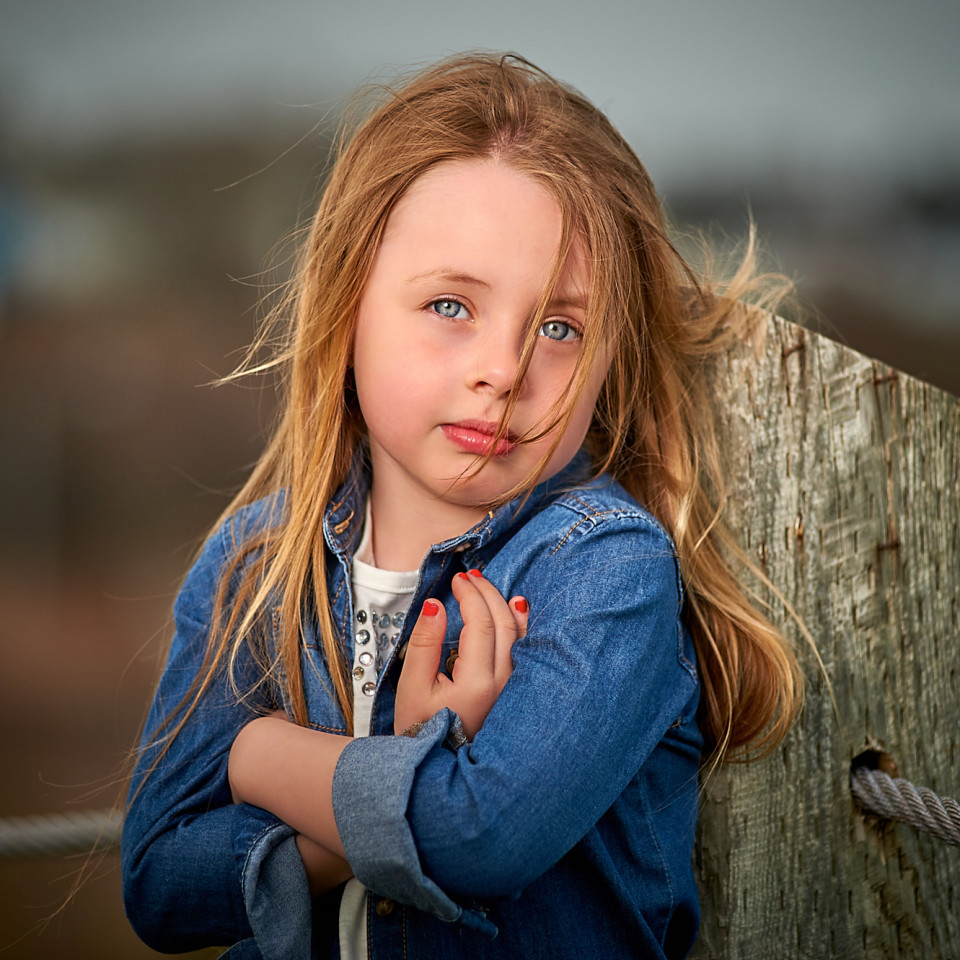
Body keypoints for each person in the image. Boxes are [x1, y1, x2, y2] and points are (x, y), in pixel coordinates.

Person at [121, 52, 802, 960]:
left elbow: (477, 837)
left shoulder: (606, 571)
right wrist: (393, 786)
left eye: (560, 328)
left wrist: (259, 758)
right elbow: (159, 880)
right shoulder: (254, 564)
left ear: (612, 358)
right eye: (451, 304)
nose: (506, 369)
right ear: (348, 302)